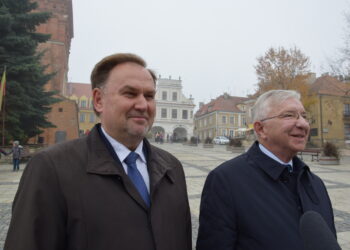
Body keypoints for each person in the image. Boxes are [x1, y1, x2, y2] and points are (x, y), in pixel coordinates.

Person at [5, 53, 192, 250]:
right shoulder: (51, 168)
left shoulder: (172, 167)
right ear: (98, 100)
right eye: (130, 93)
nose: (143, 105)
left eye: (149, 96)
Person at [196, 90, 336, 250]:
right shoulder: (225, 181)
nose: (303, 124)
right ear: (261, 129)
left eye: (304, 116)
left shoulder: (316, 183)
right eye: (289, 115)